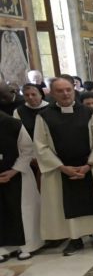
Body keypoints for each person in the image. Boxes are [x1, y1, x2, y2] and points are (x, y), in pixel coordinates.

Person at [34, 77, 93, 254]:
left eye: (68, 89)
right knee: (66, 204)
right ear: (52, 93)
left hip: (90, 167)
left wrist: (88, 165)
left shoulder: (89, 113)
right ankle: (75, 239)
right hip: (61, 170)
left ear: (74, 90)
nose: (65, 93)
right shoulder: (43, 116)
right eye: (60, 91)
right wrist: (62, 167)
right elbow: (40, 146)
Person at [0, 109, 42, 261]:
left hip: (18, 174)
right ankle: (3, 247)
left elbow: (27, 149)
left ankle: (28, 245)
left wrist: (13, 171)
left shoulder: (13, 124)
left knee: (23, 210)